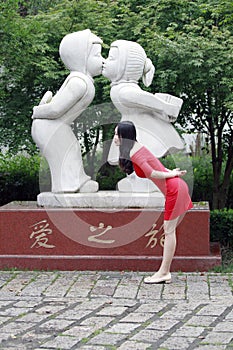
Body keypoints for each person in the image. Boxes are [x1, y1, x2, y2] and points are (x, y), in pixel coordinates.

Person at [114, 121, 193, 284]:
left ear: (124, 136)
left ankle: (164, 272)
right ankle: (164, 271)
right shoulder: (136, 148)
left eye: (116, 134)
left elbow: (151, 172)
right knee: (169, 231)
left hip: (174, 190)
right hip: (175, 187)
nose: (114, 138)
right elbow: (155, 168)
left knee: (169, 231)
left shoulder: (135, 153)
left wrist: (171, 173)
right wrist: (171, 173)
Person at [102, 39, 184, 193]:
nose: (105, 62)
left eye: (111, 59)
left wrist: (166, 108)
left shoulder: (125, 91)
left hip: (142, 128)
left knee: (139, 157)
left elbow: (146, 99)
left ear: (125, 68)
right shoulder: (121, 88)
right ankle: (136, 180)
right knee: (134, 159)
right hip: (132, 125)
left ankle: (145, 183)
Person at [31, 29, 103, 193]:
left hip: (57, 125)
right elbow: (56, 109)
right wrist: (37, 111)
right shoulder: (78, 83)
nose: (102, 60)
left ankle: (77, 182)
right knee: (63, 155)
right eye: (97, 55)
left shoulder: (82, 80)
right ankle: (66, 186)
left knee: (71, 151)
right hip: (49, 126)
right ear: (81, 58)